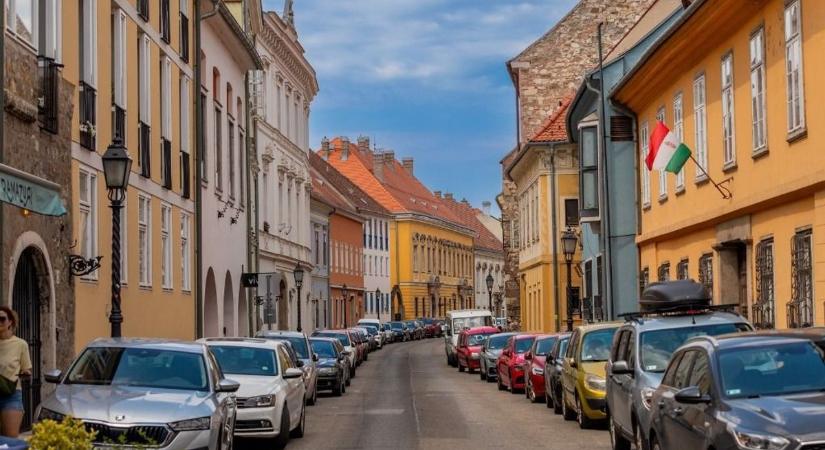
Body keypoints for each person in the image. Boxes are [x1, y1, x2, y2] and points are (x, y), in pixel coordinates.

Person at [0, 307, 31, 438]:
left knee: (10, 440)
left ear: (10, 322)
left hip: (11, 395)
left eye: (2, 319)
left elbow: (27, 369)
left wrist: (24, 373)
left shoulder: (20, 344)